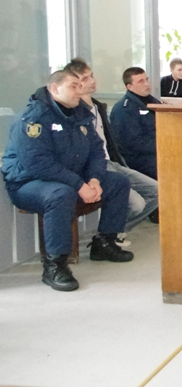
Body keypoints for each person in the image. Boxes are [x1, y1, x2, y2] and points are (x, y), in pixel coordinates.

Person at [1, 70, 133, 292]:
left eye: (80, 86)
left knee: (118, 182)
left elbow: (96, 151)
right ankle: (55, 265)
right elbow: (38, 164)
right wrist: (79, 185)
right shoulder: (34, 117)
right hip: (28, 182)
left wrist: (94, 180)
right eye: (73, 86)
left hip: (68, 178)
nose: (79, 91)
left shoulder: (80, 114)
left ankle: (105, 243)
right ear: (55, 88)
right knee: (61, 195)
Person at [65, 58, 160, 230]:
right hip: (95, 168)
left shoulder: (98, 107)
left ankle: (113, 232)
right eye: (85, 78)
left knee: (158, 191)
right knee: (136, 204)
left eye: (91, 76)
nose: (92, 81)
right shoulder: (74, 112)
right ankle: (107, 235)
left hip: (112, 162)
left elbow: (109, 143)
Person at [110, 67, 161, 181]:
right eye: (140, 81)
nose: (146, 84)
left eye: (146, 79)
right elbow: (133, 143)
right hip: (140, 159)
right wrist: (164, 146)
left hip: (157, 151)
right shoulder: (124, 109)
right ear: (130, 87)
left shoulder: (153, 101)